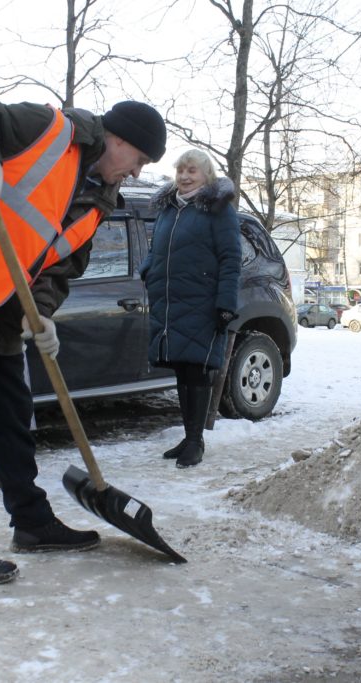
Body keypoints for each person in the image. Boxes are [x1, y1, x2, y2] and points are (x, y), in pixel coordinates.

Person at [0, 96, 167, 584]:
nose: (136, 172)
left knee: (11, 419)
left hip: (7, 308)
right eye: (139, 160)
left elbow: (61, 265)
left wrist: (41, 314)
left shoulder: (100, 201)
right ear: (118, 139)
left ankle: (31, 521)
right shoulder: (49, 129)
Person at [139, 149, 242, 469]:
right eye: (180, 170)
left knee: (197, 369)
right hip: (171, 301)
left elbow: (231, 259)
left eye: (192, 170)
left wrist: (225, 304)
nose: (184, 176)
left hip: (202, 301)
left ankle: (196, 441)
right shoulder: (169, 209)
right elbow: (155, 249)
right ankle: (189, 436)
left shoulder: (219, 210)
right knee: (182, 369)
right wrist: (148, 270)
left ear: (206, 175)